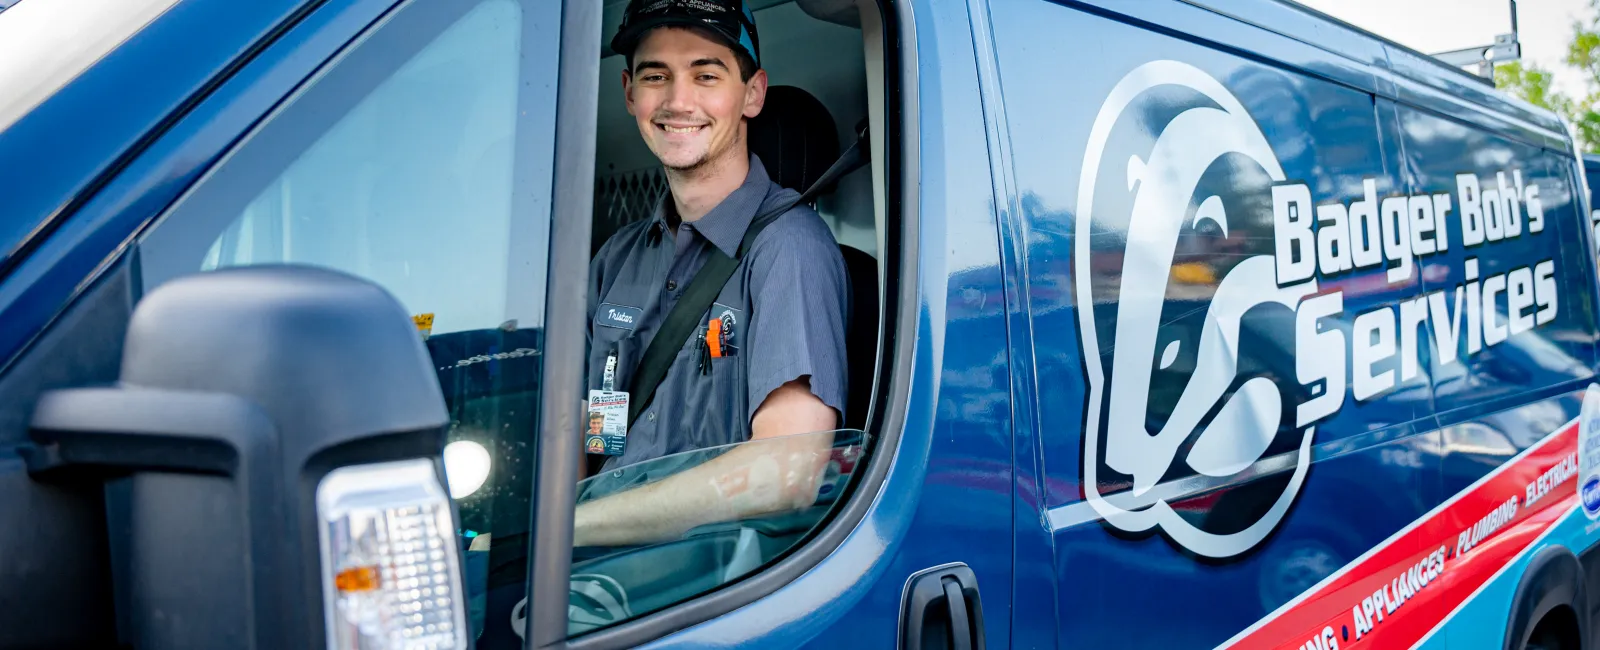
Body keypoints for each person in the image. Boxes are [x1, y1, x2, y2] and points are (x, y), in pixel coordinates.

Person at [573, 0, 850, 547]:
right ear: (630, 92)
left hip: (706, 586)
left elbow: (783, 475)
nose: (678, 101)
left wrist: (569, 529)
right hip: (588, 570)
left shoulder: (789, 249)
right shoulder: (615, 261)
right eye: (657, 76)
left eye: (706, 74)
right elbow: (593, 433)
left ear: (752, 94)